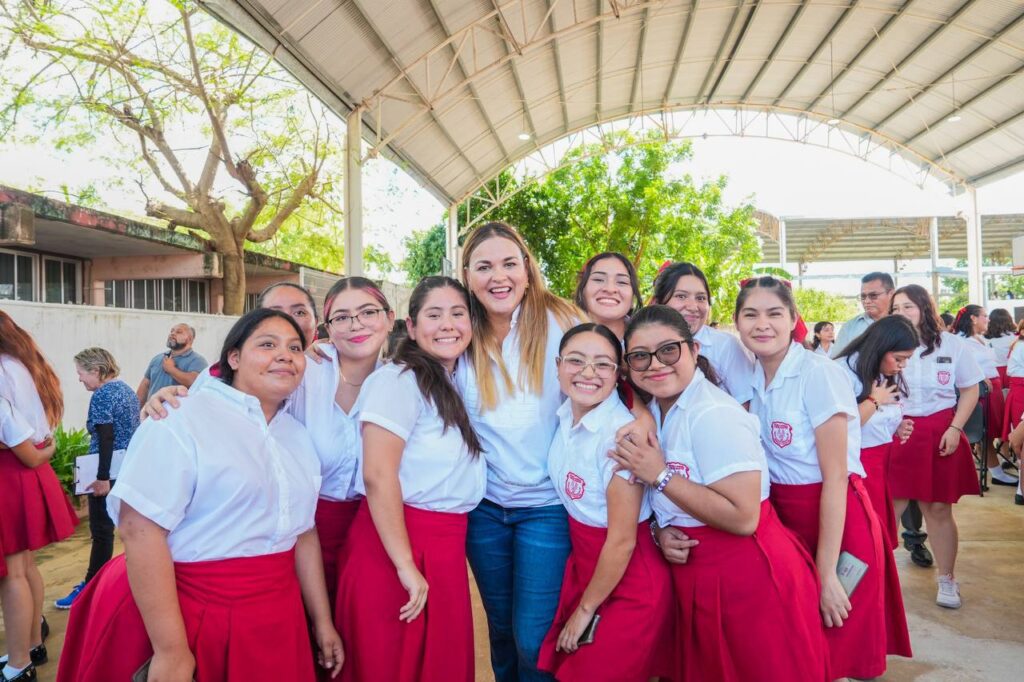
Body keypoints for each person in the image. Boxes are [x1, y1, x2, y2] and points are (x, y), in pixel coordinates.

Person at [57, 308, 344, 681]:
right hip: (196, 609)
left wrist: (321, 622)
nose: (285, 355)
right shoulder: (180, 417)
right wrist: (171, 651)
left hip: (279, 612)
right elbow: (139, 529)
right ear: (234, 357)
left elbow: (303, 532)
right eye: (267, 344)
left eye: (294, 347)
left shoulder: (297, 435)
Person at [611, 306, 829, 682]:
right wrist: (660, 532)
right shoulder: (660, 410)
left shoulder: (712, 412)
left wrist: (658, 475)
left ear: (694, 350)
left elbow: (744, 518)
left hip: (745, 578)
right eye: (640, 356)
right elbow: (679, 500)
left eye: (668, 350)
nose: (655, 364)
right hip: (702, 573)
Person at [736, 277, 907, 680]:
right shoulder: (753, 377)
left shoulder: (817, 374)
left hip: (835, 521)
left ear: (794, 318)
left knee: (836, 648)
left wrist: (827, 573)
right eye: (751, 314)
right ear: (737, 323)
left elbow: (835, 479)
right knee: (799, 647)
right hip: (784, 519)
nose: (763, 324)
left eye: (774, 313)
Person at [335, 276, 485, 682]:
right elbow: (378, 474)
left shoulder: (456, 377)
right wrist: (404, 564)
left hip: (444, 547)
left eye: (457, 314)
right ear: (412, 326)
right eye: (433, 315)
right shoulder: (398, 379)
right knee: (392, 665)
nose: (447, 325)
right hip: (397, 546)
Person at [457, 222, 580, 681]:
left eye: (509, 264)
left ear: (527, 270)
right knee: (502, 630)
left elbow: (608, 368)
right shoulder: (459, 329)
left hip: (546, 506)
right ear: (468, 274)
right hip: (484, 507)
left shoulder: (563, 320)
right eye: (484, 266)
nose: (498, 276)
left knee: (533, 636)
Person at [536, 323, 673, 681]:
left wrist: (585, 609)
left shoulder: (622, 436)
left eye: (602, 364)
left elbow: (623, 540)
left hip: (629, 580)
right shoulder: (565, 413)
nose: (587, 373)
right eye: (575, 360)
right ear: (557, 365)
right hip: (589, 569)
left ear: (618, 373)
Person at [890, 284, 982, 609]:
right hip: (897, 431)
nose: (901, 313)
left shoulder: (953, 344)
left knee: (939, 509)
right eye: (896, 308)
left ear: (924, 308)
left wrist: (956, 427)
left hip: (940, 431)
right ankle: (874, 578)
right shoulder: (885, 345)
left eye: (908, 307)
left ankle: (947, 578)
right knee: (888, 508)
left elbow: (970, 389)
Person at [0, 311, 76, 682]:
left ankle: (18, 664)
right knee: (25, 566)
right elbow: (38, 441)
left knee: (12, 574)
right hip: (23, 471)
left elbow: (23, 445)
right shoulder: (20, 364)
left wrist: (40, 453)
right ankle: (31, 647)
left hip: (10, 472)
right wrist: (43, 452)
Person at [55, 348, 141, 611]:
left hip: (107, 472)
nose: (79, 378)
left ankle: (93, 588)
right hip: (127, 468)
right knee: (127, 531)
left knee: (101, 533)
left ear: (96, 370)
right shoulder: (125, 389)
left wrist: (102, 478)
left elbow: (106, 436)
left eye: (81, 372)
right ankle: (120, 584)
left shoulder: (103, 395)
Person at [835, 316, 918, 550]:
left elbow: (877, 415)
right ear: (881, 347)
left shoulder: (878, 369)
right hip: (857, 465)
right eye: (899, 358)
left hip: (881, 462)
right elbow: (842, 426)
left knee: (878, 536)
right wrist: (874, 400)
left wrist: (896, 426)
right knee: (862, 538)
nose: (902, 365)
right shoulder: (842, 371)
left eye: (906, 359)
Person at [650, 261, 754, 404]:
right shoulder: (644, 345)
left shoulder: (726, 346)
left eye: (701, 298)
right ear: (658, 302)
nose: (693, 307)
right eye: (681, 296)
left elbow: (746, 404)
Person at [952, 306, 1017, 487]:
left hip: (993, 389)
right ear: (973, 318)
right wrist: (980, 377)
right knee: (984, 433)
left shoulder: (979, 339)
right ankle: (996, 473)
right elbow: (959, 367)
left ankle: (995, 469)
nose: (987, 319)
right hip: (979, 391)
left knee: (991, 431)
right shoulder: (960, 341)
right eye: (984, 316)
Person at [572, 252, 643, 341]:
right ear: (582, 289)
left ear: (633, 294)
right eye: (598, 279)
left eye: (622, 282)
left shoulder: (647, 337)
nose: (610, 289)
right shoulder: (558, 331)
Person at [135, 322, 208, 403]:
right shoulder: (157, 358)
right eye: (172, 331)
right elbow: (145, 386)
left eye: (179, 332)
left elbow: (194, 382)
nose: (172, 334)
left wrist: (171, 369)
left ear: (190, 339)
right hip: (151, 413)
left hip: (177, 414)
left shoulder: (198, 360)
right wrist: (136, 412)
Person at [832, 272, 895, 357]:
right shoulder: (849, 328)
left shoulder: (905, 325)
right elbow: (837, 362)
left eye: (873, 295)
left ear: (891, 294)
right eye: (863, 296)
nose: (867, 301)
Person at [985, 308, 1016, 384]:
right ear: (1009, 320)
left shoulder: (983, 337)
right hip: (1012, 371)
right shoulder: (1015, 337)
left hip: (992, 372)